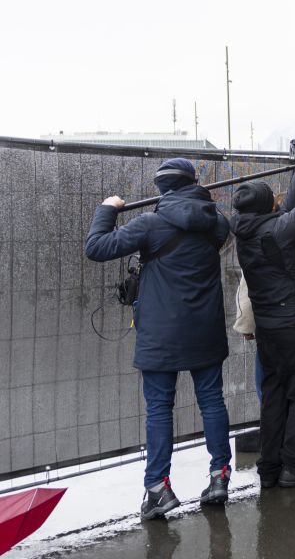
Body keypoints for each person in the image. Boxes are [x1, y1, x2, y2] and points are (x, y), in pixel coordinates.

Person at [84, 158, 232, 519]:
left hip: (161, 335)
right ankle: (219, 476)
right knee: (212, 400)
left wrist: (107, 209)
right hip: (205, 329)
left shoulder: (150, 224)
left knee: (159, 409)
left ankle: (158, 489)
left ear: (162, 188)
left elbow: (96, 247)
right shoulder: (217, 223)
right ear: (192, 182)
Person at [230, 151, 295, 489]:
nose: (278, 202)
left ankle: (269, 468)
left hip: (269, 330)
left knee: (274, 397)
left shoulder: (247, 231)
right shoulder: (278, 230)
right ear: (266, 207)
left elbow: (288, 209)